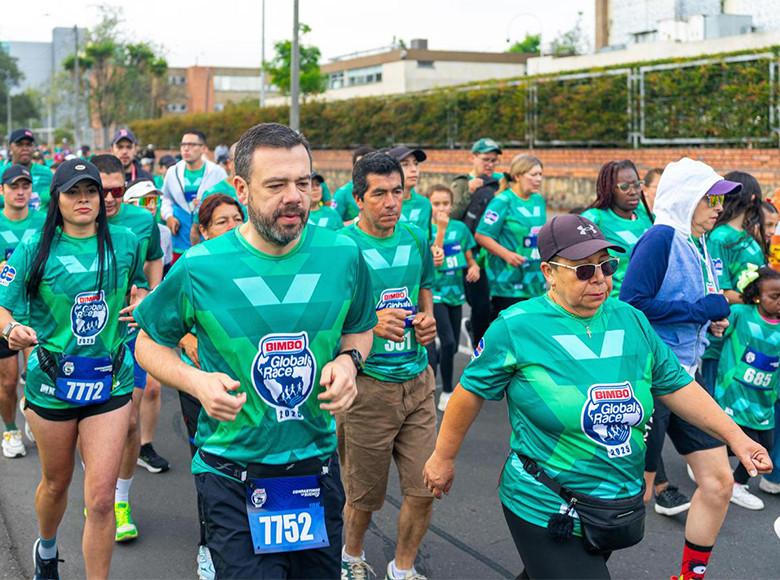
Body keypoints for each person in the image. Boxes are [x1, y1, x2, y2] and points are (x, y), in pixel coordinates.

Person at [422, 214, 772, 580]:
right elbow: (470, 392)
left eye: (606, 266)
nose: (601, 280)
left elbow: (676, 385)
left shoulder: (631, 320)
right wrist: (443, 458)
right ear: (549, 272)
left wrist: (737, 437)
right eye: (584, 271)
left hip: (613, 500)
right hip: (545, 502)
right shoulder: (517, 327)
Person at [134, 122, 375, 579]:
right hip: (231, 473)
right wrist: (197, 381)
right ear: (241, 189)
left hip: (315, 470)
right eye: (277, 185)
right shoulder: (201, 266)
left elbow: (360, 328)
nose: (295, 197)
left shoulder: (342, 255)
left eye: (303, 183)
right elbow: (148, 343)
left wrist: (350, 362)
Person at [0, 158, 147, 579]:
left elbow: (139, 288)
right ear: (57, 199)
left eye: (91, 192)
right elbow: (2, 305)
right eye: (73, 192)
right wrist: (12, 329)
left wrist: (142, 302)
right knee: (56, 484)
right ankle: (46, 548)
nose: (83, 200)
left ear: (102, 197)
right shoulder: (34, 246)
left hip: (111, 380)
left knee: (100, 499)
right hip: (53, 383)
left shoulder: (125, 241)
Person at [620, 157, 745, 580]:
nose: (717, 208)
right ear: (686, 197)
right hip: (652, 381)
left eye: (720, 201)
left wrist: (710, 317)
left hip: (686, 379)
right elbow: (631, 305)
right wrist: (695, 311)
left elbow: (689, 306)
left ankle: (689, 577)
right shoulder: (660, 238)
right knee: (628, 503)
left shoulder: (699, 241)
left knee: (718, 483)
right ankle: (554, 569)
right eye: (710, 199)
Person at [339, 152, 437, 580]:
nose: (391, 202)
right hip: (367, 389)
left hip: (417, 382)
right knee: (363, 496)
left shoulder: (415, 237)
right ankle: (351, 556)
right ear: (358, 198)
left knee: (425, 487)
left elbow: (425, 286)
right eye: (379, 194)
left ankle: (403, 567)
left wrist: (428, 318)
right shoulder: (342, 247)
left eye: (397, 192)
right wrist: (370, 324)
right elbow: (325, 319)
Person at [92, 154, 166, 544]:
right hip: (86, 338)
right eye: (101, 190)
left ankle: (119, 500)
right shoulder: (76, 220)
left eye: (117, 190)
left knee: (129, 421)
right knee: (90, 420)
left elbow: (155, 259)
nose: (109, 199)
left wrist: (150, 296)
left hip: (129, 330)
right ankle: (97, 490)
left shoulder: (141, 221)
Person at [175, 193, 244, 580]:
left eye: (238, 218)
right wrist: (187, 339)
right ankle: (209, 546)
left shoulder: (260, 265)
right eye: (222, 221)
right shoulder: (192, 266)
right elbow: (163, 323)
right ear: (202, 231)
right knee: (210, 465)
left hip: (249, 383)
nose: (233, 227)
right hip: (201, 386)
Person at [713, 265, 779, 510]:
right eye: (775, 297)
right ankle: (724, 478)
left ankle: (734, 481)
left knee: (767, 446)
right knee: (734, 442)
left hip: (763, 403)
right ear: (757, 295)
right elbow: (716, 333)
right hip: (734, 395)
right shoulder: (741, 313)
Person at [700, 171, 767, 393]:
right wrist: (761, 301)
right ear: (753, 198)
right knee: (717, 400)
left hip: (748, 332)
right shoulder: (720, 237)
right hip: (724, 336)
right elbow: (721, 290)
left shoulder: (748, 236)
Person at [0, 165, 44, 458]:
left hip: (37, 311)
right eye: (14, 186)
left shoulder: (43, 222)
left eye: (25, 186)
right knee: (7, 380)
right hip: (4, 312)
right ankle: (10, 428)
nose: (20, 191)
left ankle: (32, 411)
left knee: (38, 374)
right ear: (2, 190)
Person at [428, 184, 479, 412]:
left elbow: (468, 255)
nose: (441, 208)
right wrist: (440, 230)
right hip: (435, 293)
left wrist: (473, 266)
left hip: (455, 293)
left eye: (445, 203)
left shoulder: (459, 228)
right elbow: (435, 257)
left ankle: (434, 362)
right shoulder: (426, 230)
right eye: (436, 203)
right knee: (448, 340)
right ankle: (446, 391)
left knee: (452, 347)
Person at [475, 154, 546, 318]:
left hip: (534, 281)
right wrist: (507, 255)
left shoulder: (538, 200)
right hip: (507, 282)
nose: (538, 179)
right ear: (518, 176)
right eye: (533, 174)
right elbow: (481, 235)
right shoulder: (503, 201)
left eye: (540, 174)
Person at [450, 138, 503, 347]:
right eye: (485, 159)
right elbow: (452, 217)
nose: (489, 164)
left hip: (493, 252)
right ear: (473, 158)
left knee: (494, 303)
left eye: (493, 160)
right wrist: (469, 192)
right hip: (470, 253)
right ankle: (478, 343)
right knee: (479, 303)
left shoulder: (500, 182)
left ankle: (477, 331)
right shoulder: (462, 182)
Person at [580, 160, 653, 297]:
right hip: (614, 303)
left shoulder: (647, 216)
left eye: (637, 185)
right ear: (609, 189)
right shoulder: (594, 220)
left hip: (649, 301)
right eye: (625, 187)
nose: (633, 192)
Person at [160, 130, 227, 261]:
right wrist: (168, 216)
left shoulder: (217, 172)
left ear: (203, 148)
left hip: (208, 242)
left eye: (192, 144)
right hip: (178, 240)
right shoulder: (172, 172)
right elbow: (165, 198)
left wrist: (207, 204)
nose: (186, 148)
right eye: (183, 144)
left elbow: (227, 202)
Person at [190, 142, 245, 246]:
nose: (246, 165)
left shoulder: (260, 190)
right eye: (240, 160)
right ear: (229, 164)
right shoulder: (213, 192)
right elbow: (195, 230)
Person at [124, 179, 173, 273]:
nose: (152, 206)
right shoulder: (116, 232)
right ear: (128, 203)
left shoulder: (165, 232)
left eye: (155, 201)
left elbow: (166, 270)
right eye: (146, 201)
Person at [385, 146, 433, 240]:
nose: (414, 169)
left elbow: (427, 242)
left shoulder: (425, 204)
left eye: (415, 164)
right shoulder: (383, 204)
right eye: (405, 164)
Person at [0, 129, 53, 212]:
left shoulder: (47, 173)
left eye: (29, 144)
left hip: (41, 224)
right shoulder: (1, 172)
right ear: (10, 147)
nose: (25, 148)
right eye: (19, 144)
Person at [332, 146, 373, 224]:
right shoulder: (342, 193)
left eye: (369, 165)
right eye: (360, 165)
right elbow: (333, 227)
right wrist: (356, 221)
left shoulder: (387, 192)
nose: (365, 169)